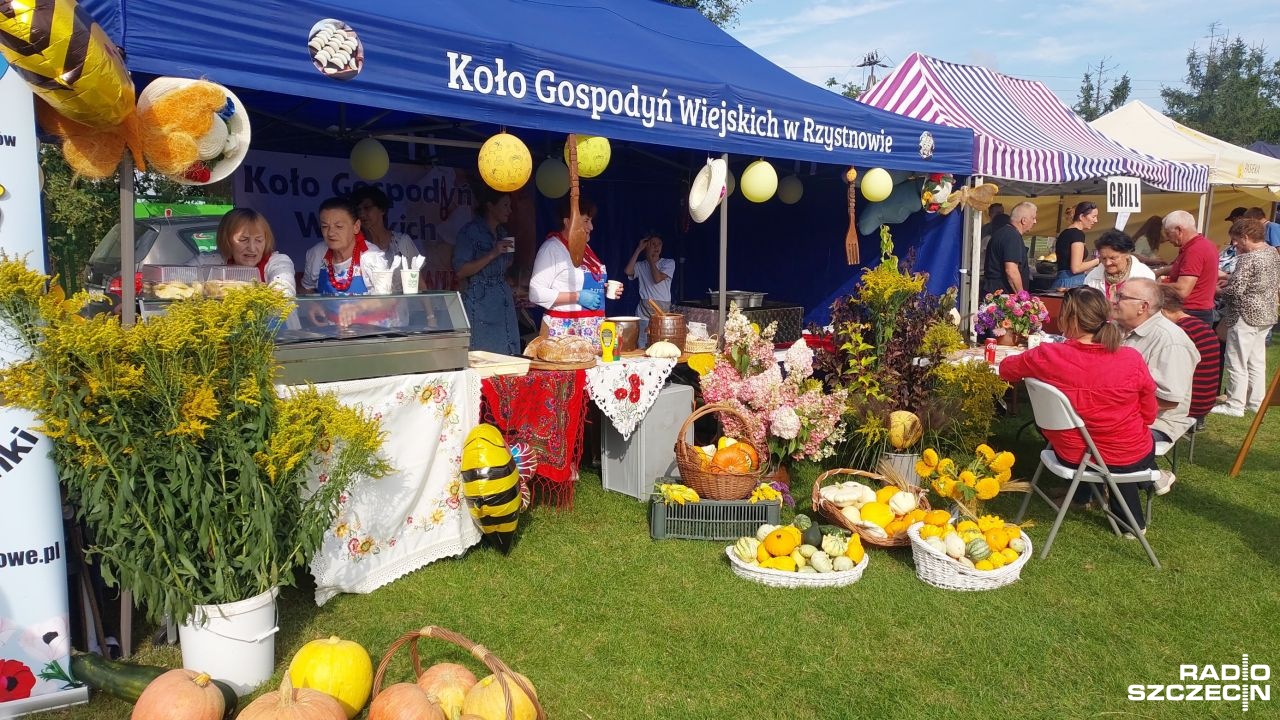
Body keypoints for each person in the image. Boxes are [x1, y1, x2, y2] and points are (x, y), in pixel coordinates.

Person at [999, 286, 1158, 534]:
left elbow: (1006, 370)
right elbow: (1149, 413)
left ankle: (1086, 495)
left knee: (1093, 437)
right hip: (1126, 453)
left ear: (1070, 318)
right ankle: (1128, 515)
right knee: (1118, 442)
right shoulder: (1131, 358)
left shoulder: (1048, 355)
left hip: (1072, 453)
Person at [1110, 278, 1199, 495]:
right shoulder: (1118, 328)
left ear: (1143, 306)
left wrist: (1114, 409)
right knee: (1061, 423)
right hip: (1121, 413)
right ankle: (1087, 493)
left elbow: (1168, 400)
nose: (1114, 301)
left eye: (1121, 297)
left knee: (1098, 435)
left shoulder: (1170, 341)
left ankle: (1148, 478)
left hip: (1159, 421)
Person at [1211, 218, 1280, 416]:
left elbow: (1236, 291)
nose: (1235, 244)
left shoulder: (1247, 259)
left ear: (1246, 237)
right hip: (1266, 314)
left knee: (1236, 360)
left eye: (1236, 239)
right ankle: (1255, 402)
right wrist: (1230, 279)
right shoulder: (1271, 253)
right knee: (1256, 361)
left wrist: (1218, 290)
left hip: (1245, 316)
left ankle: (1235, 405)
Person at [529, 196, 617, 348]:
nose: (591, 227)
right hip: (564, 331)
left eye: (591, 221)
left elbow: (579, 282)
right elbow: (535, 293)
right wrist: (577, 296)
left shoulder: (586, 248)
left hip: (592, 330)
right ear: (568, 222)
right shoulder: (552, 249)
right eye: (586, 221)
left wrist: (604, 288)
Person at [453, 186, 519, 355]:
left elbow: (507, 264)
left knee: (508, 353)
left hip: (503, 301)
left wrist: (508, 258)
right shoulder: (470, 232)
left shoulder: (503, 232)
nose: (510, 210)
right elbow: (460, 271)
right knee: (484, 354)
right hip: (481, 302)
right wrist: (493, 254)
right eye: (505, 205)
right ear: (490, 206)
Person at [1158, 284, 1220, 431]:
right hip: (1205, 400)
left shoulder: (1180, 331)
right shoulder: (1199, 325)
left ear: (1161, 311)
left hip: (1190, 404)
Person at [194, 208, 296, 296]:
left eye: (259, 240)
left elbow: (285, 291)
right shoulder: (209, 261)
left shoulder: (279, 262)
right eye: (243, 239)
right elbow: (185, 283)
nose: (252, 248)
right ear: (226, 240)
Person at [1156, 210, 1218, 326]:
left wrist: (1156, 285)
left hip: (1192, 312)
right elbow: (1186, 267)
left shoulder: (1194, 250)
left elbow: (1183, 290)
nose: (1168, 239)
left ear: (1179, 230)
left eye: (1168, 234)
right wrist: (1162, 271)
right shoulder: (1204, 244)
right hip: (1200, 310)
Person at [351, 185, 422, 276]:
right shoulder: (354, 247)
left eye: (367, 208)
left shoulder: (402, 242)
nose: (361, 214)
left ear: (382, 209)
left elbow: (418, 281)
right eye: (358, 210)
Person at [624, 232, 675, 344]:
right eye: (653, 244)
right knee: (642, 343)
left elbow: (657, 278)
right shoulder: (641, 265)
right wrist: (639, 249)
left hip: (661, 311)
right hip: (644, 311)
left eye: (659, 244)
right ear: (647, 246)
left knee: (660, 342)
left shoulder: (668, 263)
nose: (656, 247)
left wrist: (650, 259)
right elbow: (628, 271)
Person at [1084, 230, 1156, 303]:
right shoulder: (1092, 278)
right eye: (1104, 258)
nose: (1108, 263)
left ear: (1127, 254)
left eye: (1113, 258)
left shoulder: (1145, 276)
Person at [981, 201, 1035, 297]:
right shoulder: (1012, 236)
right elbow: (1011, 271)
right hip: (1004, 297)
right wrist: (1022, 296)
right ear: (1024, 220)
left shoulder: (1001, 233)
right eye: (1033, 218)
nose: (1035, 221)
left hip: (995, 293)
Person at [1053, 201, 1100, 289]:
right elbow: (1076, 268)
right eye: (1093, 217)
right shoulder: (1077, 234)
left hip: (1065, 280)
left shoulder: (1067, 232)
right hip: (1071, 283)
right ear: (1081, 217)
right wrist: (1099, 260)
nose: (1096, 220)